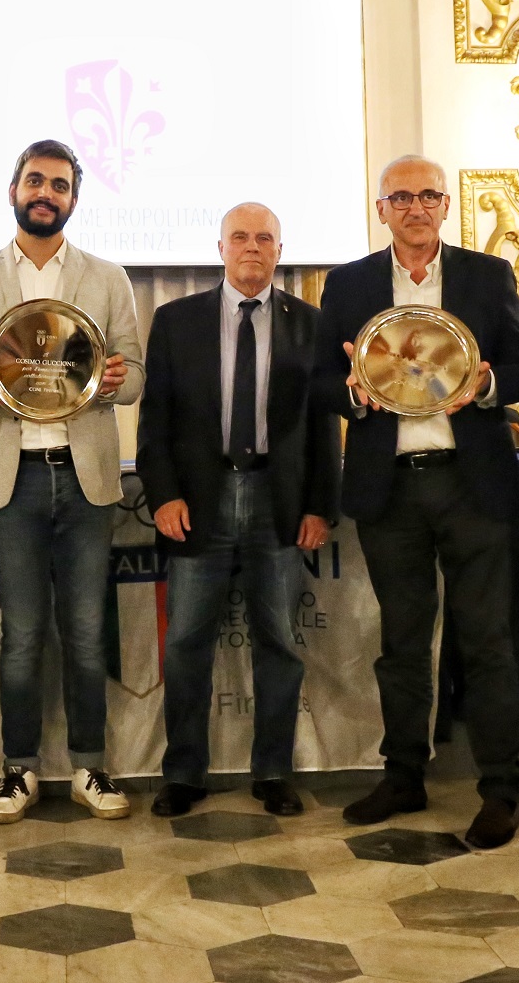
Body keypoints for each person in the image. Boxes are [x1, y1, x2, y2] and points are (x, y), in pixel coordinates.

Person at [313, 155, 519, 850]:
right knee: (402, 643)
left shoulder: (486, 275)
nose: (416, 207)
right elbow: (324, 383)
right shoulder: (348, 283)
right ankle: (404, 774)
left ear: (447, 205)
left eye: (429, 196)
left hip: (471, 482)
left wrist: (488, 379)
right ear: (381, 208)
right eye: (402, 196)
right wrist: (355, 388)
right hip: (391, 486)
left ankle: (501, 788)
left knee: (487, 641)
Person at [0, 138, 145, 822]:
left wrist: (116, 380)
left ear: (73, 200)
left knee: (87, 630)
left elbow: (135, 373)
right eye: (35, 181)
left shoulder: (107, 277)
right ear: (13, 190)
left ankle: (92, 766)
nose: (45, 193)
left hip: (85, 474)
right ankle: (16, 770)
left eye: (59, 185)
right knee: (20, 632)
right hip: (10, 475)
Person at [137, 203, 340, 817]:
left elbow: (322, 425)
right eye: (241, 237)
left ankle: (274, 770)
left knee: (278, 641)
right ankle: (184, 774)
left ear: (281, 249)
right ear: (219, 247)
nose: (253, 247)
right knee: (187, 644)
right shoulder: (176, 322)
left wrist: (319, 506)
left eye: (266, 238)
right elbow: (156, 420)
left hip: (278, 504)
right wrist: (164, 493)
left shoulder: (311, 324)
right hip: (200, 501)